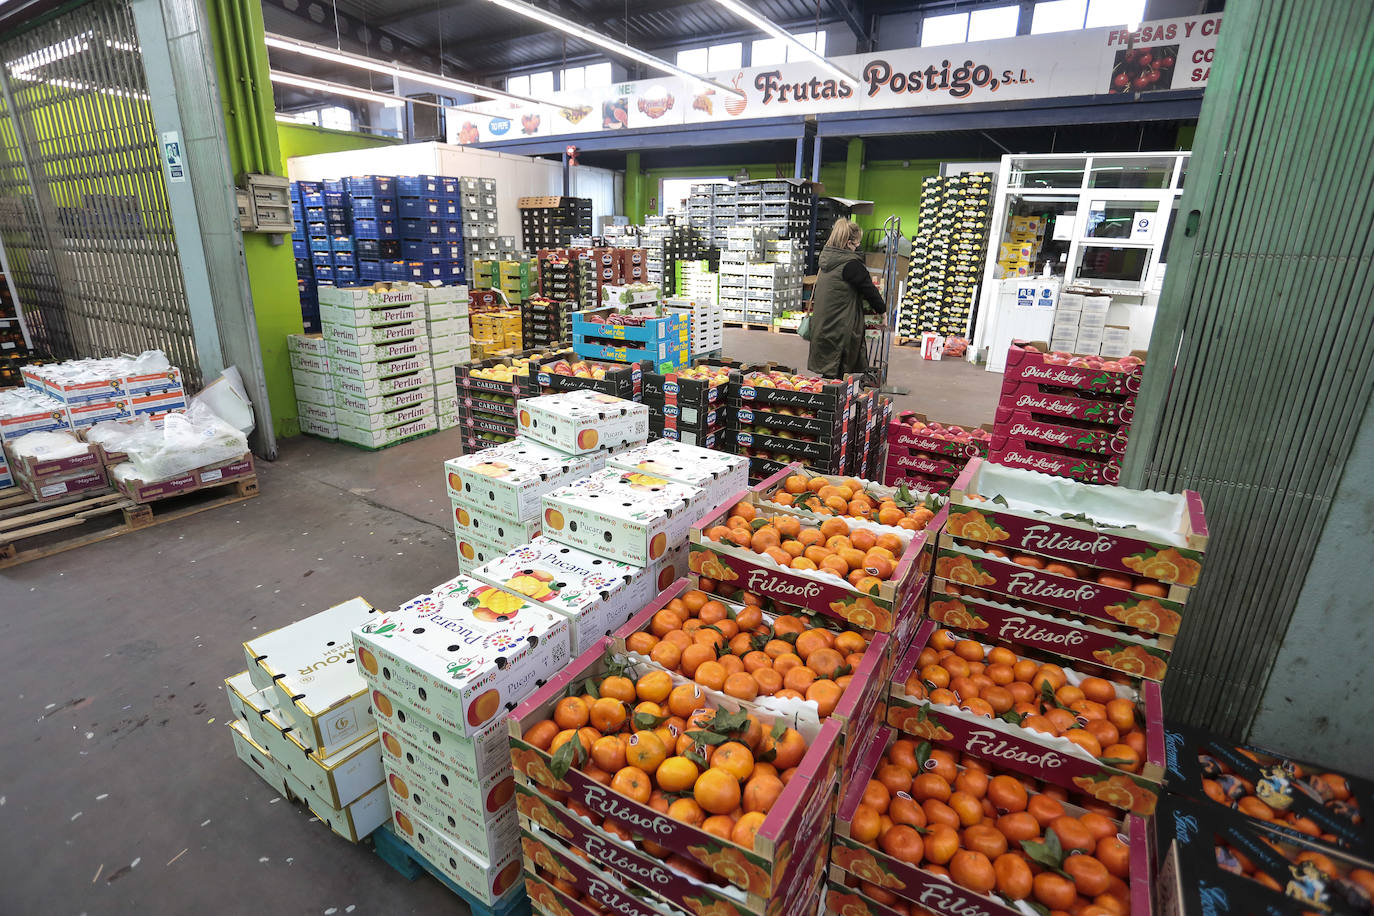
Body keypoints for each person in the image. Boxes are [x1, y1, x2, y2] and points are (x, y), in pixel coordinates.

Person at [807, 217, 886, 379]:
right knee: (841, 371)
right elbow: (869, 290)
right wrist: (882, 312)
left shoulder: (826, 258)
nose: (858, 248)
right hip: (841, 327)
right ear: (849, 243)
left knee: (829, 371)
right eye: (857, 244)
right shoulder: (851, 264)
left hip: (823, 325)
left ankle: (826, 399)